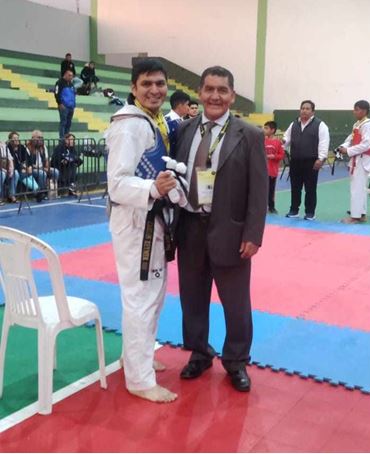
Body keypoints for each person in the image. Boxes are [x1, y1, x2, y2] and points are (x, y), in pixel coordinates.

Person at [175, 66, 268, 392]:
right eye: (209, 89)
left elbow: (259, 191)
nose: (215, 96)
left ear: (231, 95)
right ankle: (199, 354)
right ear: (199, 93)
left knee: (237, 304)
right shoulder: (184, 130)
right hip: (189, 228)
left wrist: (253, 235)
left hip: (231, 232)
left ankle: (236, 361)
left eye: (222, 90)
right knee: (192, 299)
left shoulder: (250, 135)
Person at [105, 59, 186, 403]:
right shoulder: (130, 125)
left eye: (160, 83)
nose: (155, 90)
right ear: (134, 88)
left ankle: (135, 358)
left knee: (152, 294)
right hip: (136, 220)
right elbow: (117, 184)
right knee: (141, 298)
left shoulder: (153, 122)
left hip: (152, 218)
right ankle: (139, 379)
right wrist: (153, 188)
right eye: (147, 84)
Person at [283, 100, 330, 220]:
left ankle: (310, 212)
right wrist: (280, 146)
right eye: (302, 108)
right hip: (295, 161)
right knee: (295, 187)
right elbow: (286, 139)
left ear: (313, 111)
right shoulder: (293, 124)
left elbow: (324, 143)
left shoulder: (320, 125)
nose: (304, 110)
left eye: (307, 108)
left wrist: (321, 158)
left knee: (310, 188)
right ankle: (294, 210)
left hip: (311, 161)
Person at [338, 100, 370, 224]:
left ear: (364, 111)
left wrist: (348, 150)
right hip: (356, 159)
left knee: (357, 188)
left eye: (357, 109)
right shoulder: (357, 124)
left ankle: (355, 216)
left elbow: (366, 144)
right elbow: (350, 139)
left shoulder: (369, 125)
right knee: (359, 188)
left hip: (361, 160)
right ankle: (361, 214)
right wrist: (341, 147)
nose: (354, 111)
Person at [264, 121, 285, 214]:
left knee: (271, 190)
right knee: (261, 190)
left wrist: (274, 156)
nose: (264, 130)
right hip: (262, 171)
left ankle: (271, 207)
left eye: (266, 128)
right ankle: (261, 207)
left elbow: (281, 155)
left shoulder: (277, 142)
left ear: (272, 130)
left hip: (272, 171)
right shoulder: (262, 140)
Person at [165, 90, 191, 156]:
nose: (189, 108)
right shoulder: (170, 122)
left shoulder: (180, 120)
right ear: (180, 105)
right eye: (187, 105)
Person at [55, 70, 76, 139]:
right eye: (69, 75)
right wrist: (60, 103)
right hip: (64, 106)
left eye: (72, 76)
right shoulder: (59, 82)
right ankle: (62, 139)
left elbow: (73, 94)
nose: (71, 77)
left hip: (71, 107)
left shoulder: (71, 84)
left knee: (68, 123)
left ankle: (67, 138)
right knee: (63, 123)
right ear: (65, 75)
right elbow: (56, 93)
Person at [0, 141, 18, 205]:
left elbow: (10, 158)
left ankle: (11, 195)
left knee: (15, 173)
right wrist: (4, 170)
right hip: (1, 169)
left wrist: (11, 169)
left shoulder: (4, 145)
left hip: (5, 167)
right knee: (2, 174)